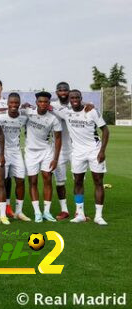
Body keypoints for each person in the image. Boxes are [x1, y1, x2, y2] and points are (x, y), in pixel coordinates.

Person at [51, 90, 109, 225]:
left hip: (94, 150)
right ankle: (80, 214)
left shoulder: (92, 111)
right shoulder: (66, 112)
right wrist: (26, 106)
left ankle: (98, 216)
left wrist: (102, 151)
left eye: (77, 97)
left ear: (81, 98)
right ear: (69, 99)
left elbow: (105, 130)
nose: (75, 99)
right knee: (77, 182)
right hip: (77, 152)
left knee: (98, 182)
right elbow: (47, 106)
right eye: (72, 97)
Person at [23, 91, 62, 223]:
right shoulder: (28, 112)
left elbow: (58, 139)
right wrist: (23, 106)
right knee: (32, 181)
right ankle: (37, 212)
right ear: (36, 103)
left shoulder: (53, 119)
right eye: (40, 101)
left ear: (49, 103)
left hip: (47, 152)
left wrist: (55, 158)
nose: (43, 104)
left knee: (47, 179)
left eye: (45, 102)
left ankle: (46, 211)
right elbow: (13, 111)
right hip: (31, 153)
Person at [0, 93, 31, 221]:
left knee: (20, 180)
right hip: (2, 152)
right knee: (3, 183)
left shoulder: (23, 117)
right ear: (8, 104)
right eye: (12, 103)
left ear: (19, 104)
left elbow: (37, 111)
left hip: (16, 152)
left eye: (17, 103)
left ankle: (19, 212)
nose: (14, 105)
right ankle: (2, 212)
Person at [50, 82, 72, 220]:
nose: (63, 92)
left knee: (79, 181)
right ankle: (64, 210)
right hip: (58, 149)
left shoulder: (77, 104)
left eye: (65, 90)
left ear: (69, 91)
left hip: (76, 148)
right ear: (56, 92)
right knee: (60, 182)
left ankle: (79, 211)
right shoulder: (51, 105)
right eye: (60, 90)